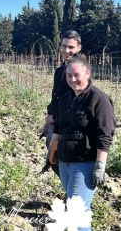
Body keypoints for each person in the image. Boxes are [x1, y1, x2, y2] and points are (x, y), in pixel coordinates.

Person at [48, 55, 116, 231]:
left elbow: (105, 133)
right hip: (65, 162)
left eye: (76, 75)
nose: (72, 79)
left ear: (88, 73)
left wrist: (100, 164)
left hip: (85, 164)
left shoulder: (98, 99)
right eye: (69, 75)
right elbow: (59, 125)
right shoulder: (66, 98)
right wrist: (52, 149)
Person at [44, 30, 82, 176]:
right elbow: (56, 98)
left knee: (65, 161)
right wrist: (49, 118)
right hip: (56, 123)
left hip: (69, 126)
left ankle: (74, 194)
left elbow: (78, 104)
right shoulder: (60, 71)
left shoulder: (79, 73)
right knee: (54, 158)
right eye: (64, 46)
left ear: (79, 47)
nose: (67, 51)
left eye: (71, 47)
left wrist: (54, 119)